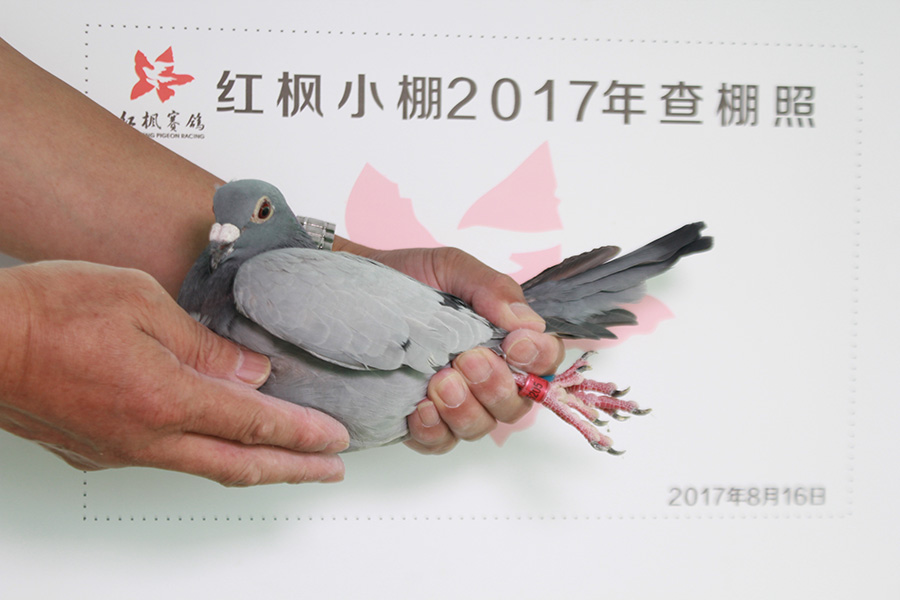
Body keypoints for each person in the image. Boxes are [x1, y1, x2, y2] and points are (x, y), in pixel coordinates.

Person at [0, 37, 564, 486]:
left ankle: (551, 384)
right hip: (402, 368)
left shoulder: (260, 279)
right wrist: (16, 349)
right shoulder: (234, 272)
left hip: (438, 339)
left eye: (260, 214)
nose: (224, 232)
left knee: (492, 365)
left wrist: (22, 349)